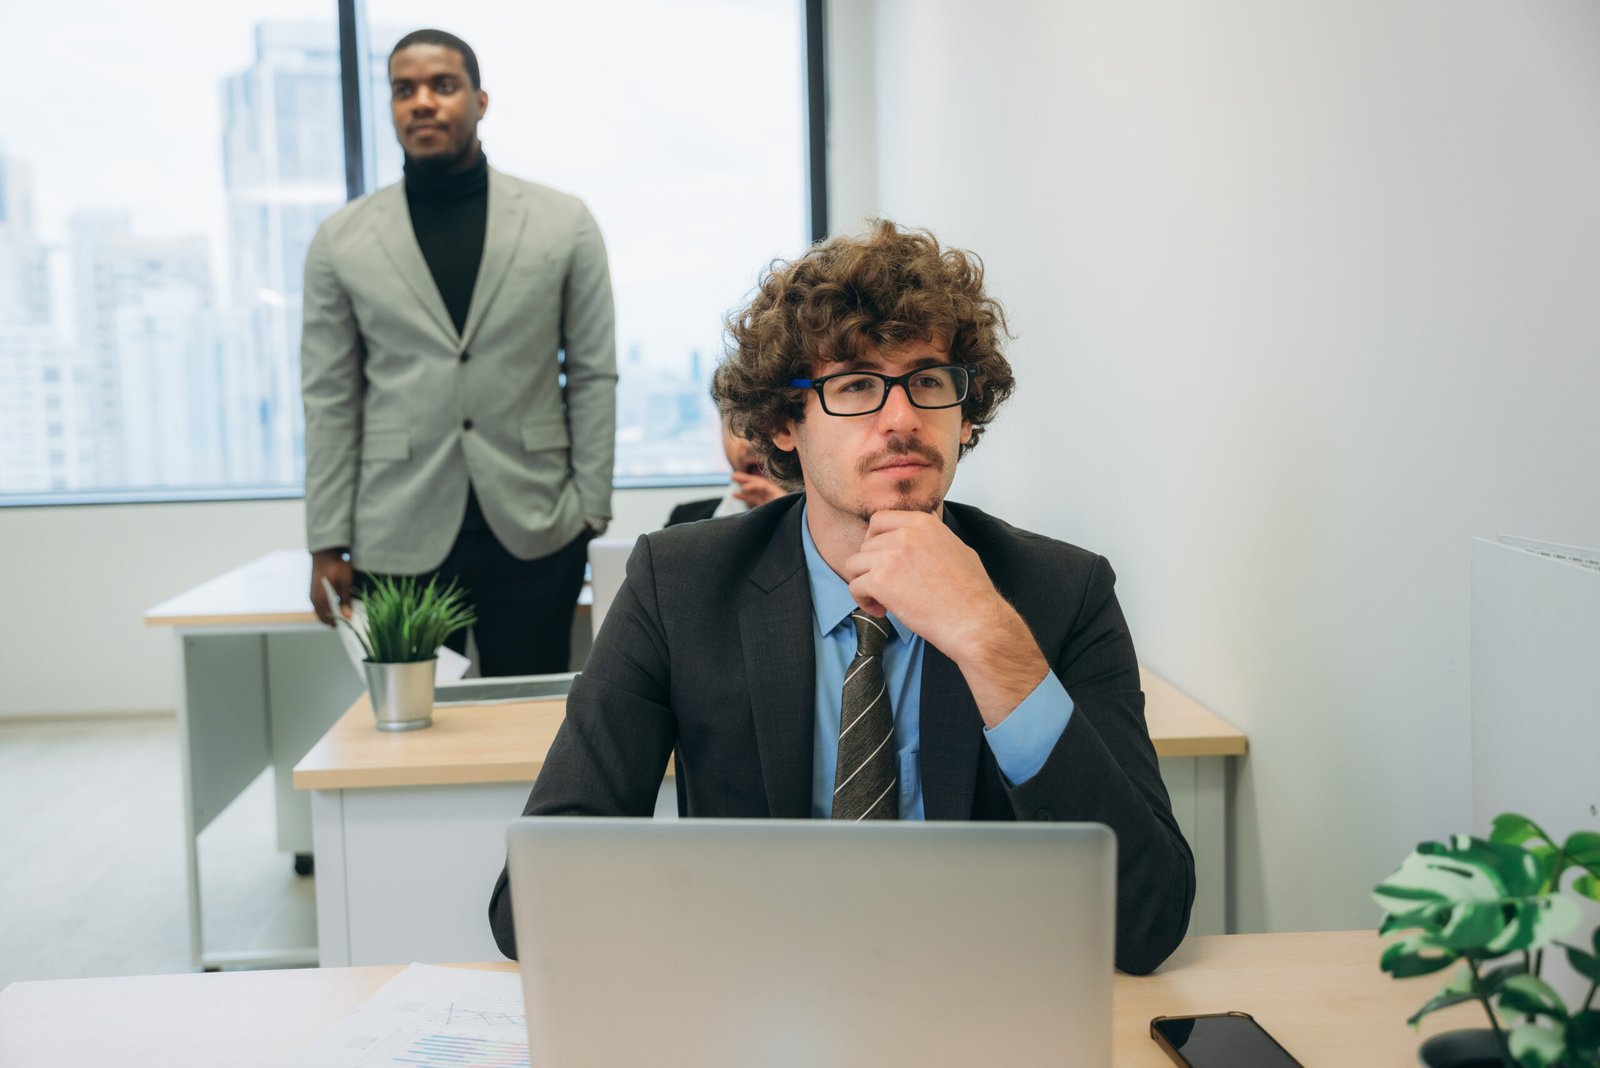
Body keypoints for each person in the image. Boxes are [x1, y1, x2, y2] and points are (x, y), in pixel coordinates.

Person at [488, 221, 1193, 975]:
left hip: (983, 1009)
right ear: (784, 425)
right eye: (855, 384)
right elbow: (530, 907)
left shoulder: (1061, 593)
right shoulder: (678, 586)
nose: (902, 418)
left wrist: (991, 642)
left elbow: (1148, 921)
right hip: (762, 1009)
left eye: (928, 380)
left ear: (965, 411)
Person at [301, 28, 615, 675]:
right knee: (411, 735)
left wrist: (590, 505)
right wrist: (327, 540)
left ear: (480, 100)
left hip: (537, 524)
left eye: (443, 86)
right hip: (396, 528)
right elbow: (330, 395)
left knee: (532, 730)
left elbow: (591, 371)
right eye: (402, 90)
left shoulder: (564, 222)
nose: (422, 102)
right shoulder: (341, 241)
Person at [665, 416, 787, 526]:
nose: (754, 444)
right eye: (739, 425)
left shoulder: (801, 526)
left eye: (770, 425)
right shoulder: (684, 522)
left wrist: (788, 517)